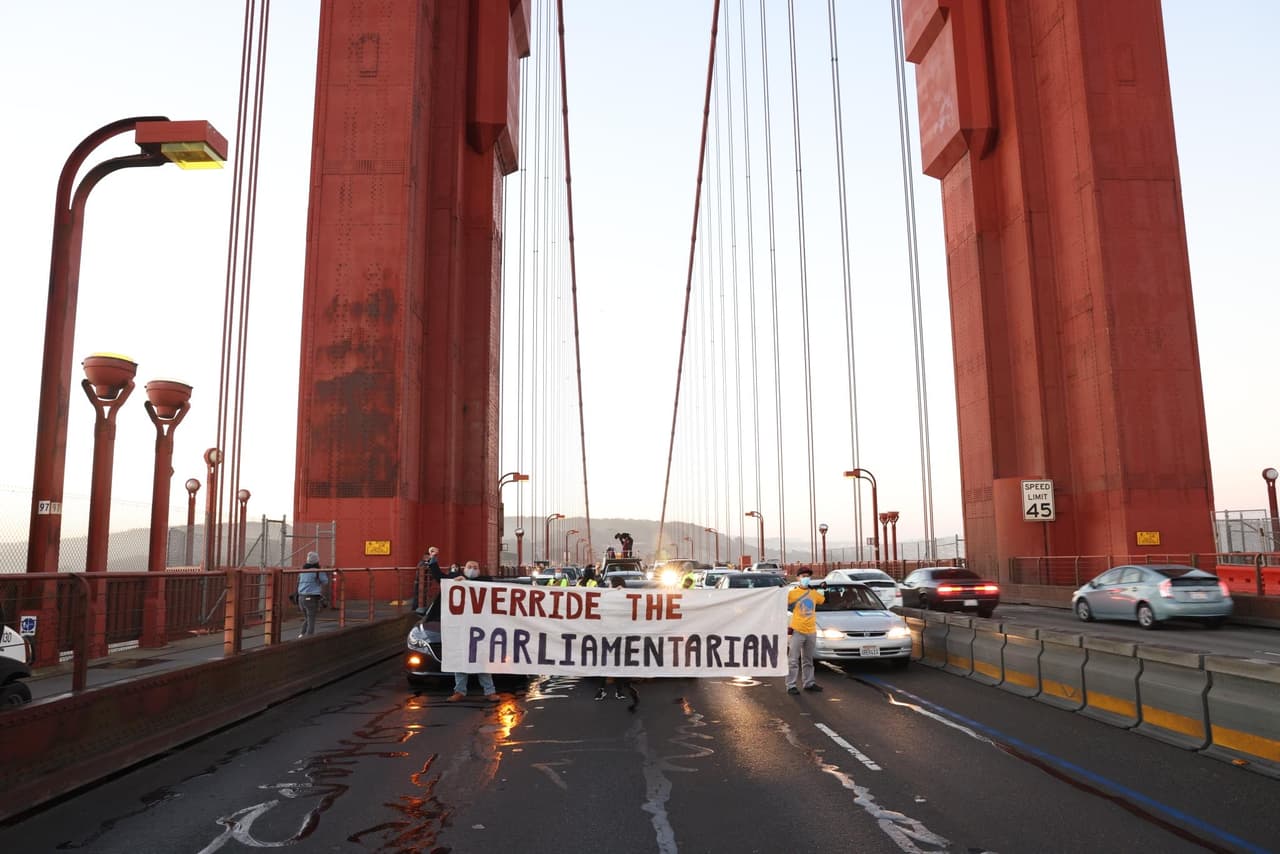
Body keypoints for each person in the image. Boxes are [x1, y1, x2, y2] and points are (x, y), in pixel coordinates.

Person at [449, 560, 501, 702]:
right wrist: (433, 559)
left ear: (479, 570)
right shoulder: (455, 582)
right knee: (461, 661)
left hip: (480, 629)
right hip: (462, 628)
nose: (472, 569)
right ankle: (459, 691)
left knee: (481, 661)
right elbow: (437, 577)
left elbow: (488, 582)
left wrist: (466, 581)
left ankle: (490, 691)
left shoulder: (485, 582)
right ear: (463, 569)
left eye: (475, 567)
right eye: (469, 567)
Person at [594, 575, 639, 710]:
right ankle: (615, 691)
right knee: (616, 663)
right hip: (614, 633)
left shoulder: (620, 596)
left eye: (610, 584)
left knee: (610, 662)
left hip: (613, 633)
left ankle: (606, 690)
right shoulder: (614, 596)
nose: (608, 586)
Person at [786, 567, 826, 695]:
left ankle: (809, 683)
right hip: (797, 630)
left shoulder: (813, 593)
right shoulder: (792, 593)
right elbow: (780, 601)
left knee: (808, 660)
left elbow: (823, 600)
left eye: (807, 576)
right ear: (798, 578)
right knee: (793, 660)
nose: (805, 578)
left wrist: (824, 588)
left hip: (811, 631)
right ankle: (791, 685)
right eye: (803, 576)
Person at [297, 551, 330, 638]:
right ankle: (309, 638)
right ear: (317, 561)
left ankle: (301, 634)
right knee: (311, 619)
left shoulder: (302, 571)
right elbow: (325, 581)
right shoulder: (318, 571)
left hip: (301, 597)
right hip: (311, 597)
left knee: (307, 618)